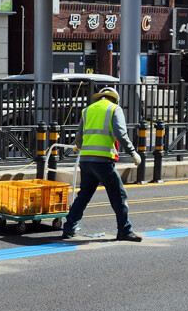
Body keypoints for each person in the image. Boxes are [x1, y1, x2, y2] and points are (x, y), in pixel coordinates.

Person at [61, 87, 143, 241]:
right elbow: (121, 133)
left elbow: (79, 135)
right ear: (114, 99)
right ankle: (124, 230)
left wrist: (78, 146)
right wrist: (133, 153)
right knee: (118, 195)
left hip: (85, 160)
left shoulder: (87, 110)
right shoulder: (114, 109)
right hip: (103, 160)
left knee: (84, 194)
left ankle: (69, 228)